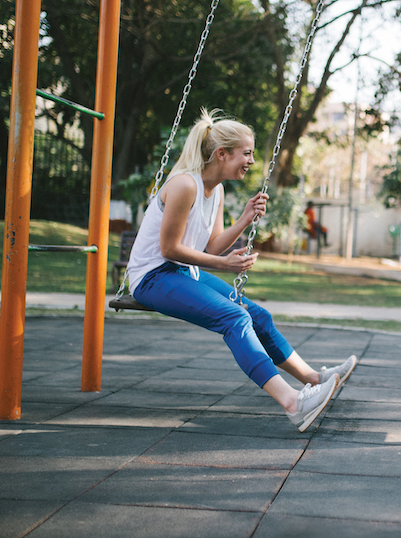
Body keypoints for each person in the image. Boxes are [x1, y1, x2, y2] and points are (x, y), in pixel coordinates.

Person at [126, 110, 356, 432]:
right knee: (235, 318)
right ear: (222, 154)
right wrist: (223, 265)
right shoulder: (183, 185)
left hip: (181, 274)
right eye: (246, 153)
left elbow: (214, 246)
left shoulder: (216, 190)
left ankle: (315, 378)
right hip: (153, 276)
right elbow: (169, 249)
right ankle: (293, 403)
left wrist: (245, 219)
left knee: (257, 315)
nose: (250, 160)